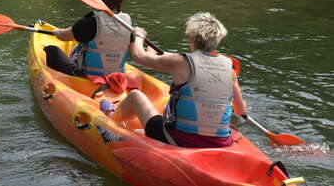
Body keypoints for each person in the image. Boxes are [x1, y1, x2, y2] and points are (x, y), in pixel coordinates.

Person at [100, 12, 248, 148]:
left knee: (135, 96)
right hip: (220, 142)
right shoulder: (229, 70)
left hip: (181, 140)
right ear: (216, 40)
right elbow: (241, 111)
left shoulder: (180, 62)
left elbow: (138, 56)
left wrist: (139, 36)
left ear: (192, 39)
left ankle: (110, 117)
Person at [44, 0, 133, 79]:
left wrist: (57, 32)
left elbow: (63, 36)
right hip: (117, 76)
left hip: (86, 77)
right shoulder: (127, 22)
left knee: (52, 51)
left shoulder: (90, 22)